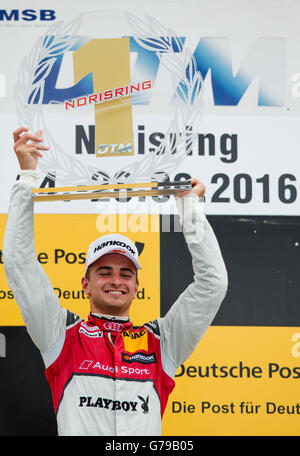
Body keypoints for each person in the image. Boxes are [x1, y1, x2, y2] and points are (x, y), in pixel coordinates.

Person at [3, 126, 228, 436]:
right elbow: (19, 262)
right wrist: (27, 178)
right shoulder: (60, 334)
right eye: (104, 271)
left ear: (137, 286)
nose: (115, 280)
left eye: (126, 273)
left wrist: (190, 208)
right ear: (85, 283)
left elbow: (212, 284)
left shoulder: (162, 343)